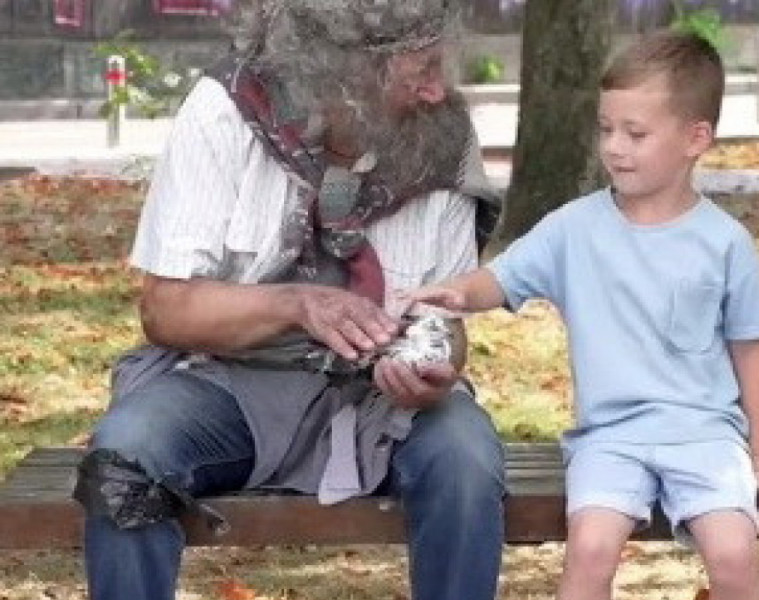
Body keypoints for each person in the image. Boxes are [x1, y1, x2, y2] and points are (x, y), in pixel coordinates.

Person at [72, 2, 506, 600]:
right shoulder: (224, 111)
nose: (438, 91)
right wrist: (298, 304)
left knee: (466, 460)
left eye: (441, 65)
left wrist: (438, 369)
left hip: (380, 401)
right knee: (127, 455)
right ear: (342, 74)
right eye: (419, 71)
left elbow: (446, 321)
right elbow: (166, 310)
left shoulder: (444, 134)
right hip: (232, 386)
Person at [405, 30, 759, 600]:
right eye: (606, 129)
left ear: (696, 138)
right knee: (592, 550)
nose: (615, 147)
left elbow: (751, 350)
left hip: (705, 435)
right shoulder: (574, 227)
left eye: (636, 133)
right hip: (609, 438)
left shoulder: (726, 243)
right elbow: (500, 278)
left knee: (733, 555)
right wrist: (458, 293)